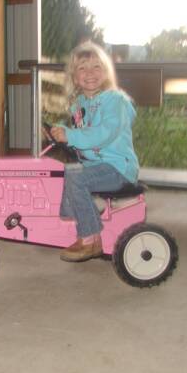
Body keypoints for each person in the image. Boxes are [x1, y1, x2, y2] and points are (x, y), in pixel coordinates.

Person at [49, 41, 139, 262]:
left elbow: (103, 133)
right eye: (82, 68)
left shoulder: (114, 101)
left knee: (77, 179)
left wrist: (70, 135)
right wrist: (60, 129)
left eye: (96, 67)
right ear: (74, 76)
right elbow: (79, 128)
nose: (89, 73)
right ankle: (70, 220)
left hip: (118, 167)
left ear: (106, 72)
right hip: (96, 166)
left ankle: (90, 238)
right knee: (66, 172)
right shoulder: (80, 104)